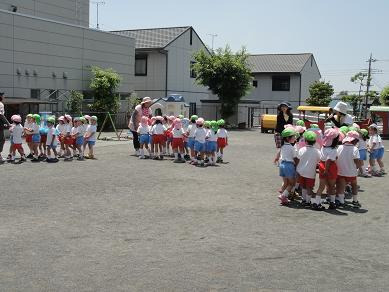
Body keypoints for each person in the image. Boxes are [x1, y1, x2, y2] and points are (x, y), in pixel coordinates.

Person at [315, 128, 340, 209]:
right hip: (330, 167)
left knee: (321, 186)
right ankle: (332, 202)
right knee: (332, 186)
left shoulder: (323, 147)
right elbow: (329, 160)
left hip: (322, 165)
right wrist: (326, 170)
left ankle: (317, 202)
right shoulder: (333, 149)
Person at [336, 131, 361, 208]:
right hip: (351, 171)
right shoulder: (355, 149)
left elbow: (336, 158)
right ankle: (355, 200)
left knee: (341, 187)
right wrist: (358, 167)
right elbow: (357, 161)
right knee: (354, 185)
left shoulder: (339, 147)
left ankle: (341, 201)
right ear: (355, 141)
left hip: (341, 171)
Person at [296, 131, 320, 208]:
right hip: (311, 172)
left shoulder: (301, 149)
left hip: (301, 171)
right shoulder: (317, 151)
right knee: (309, 187)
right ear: (315, 142)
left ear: (305, 141)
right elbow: (319, 161)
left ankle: (303, 199)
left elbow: (298, 159)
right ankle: (308, 201)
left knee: (303, 186)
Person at [277, 128, 298, 205]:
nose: (295, 138)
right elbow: (295, 158)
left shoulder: (282, 146)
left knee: (285, 183)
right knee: (292, 184)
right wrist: (297, 165)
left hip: (282, 165)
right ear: (288, 138)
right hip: (289, 165)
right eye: (293, 136)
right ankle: (283, 196)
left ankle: (283, 197)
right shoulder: (292, 148)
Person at [0, 92, 11, 163]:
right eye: (3, 96)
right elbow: (1, 115)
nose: (4, 97)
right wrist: (8, 123)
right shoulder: (0, 104)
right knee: (2, 140)